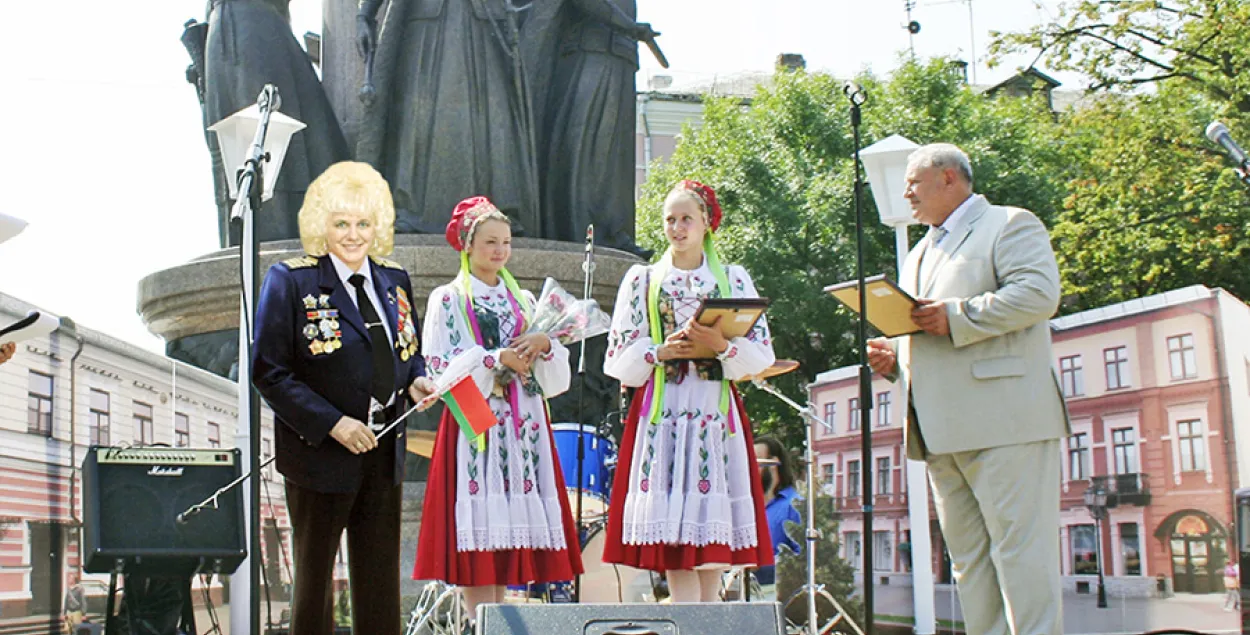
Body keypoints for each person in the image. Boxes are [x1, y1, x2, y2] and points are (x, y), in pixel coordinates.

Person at [867, 143, 1069, 635]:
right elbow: (928, 332)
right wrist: (897, 362)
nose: (906, 192)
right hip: (940, 430)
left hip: (1007, 423)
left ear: (950, 178)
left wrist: (957, 316)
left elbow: (1040, 294)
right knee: (968, 565)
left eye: (914, 181)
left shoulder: (1010, 224)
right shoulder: (918, 253)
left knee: (1022, 558)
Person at [252, 161, 435, 635]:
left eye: (363, 223)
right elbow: (269, 371)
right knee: (314, 584)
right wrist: (334, 423)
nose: (353, 235)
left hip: (383, 447)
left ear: (378, 227)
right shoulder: (291, 281)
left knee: (379, 580)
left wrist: (417, 379)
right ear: (321, 225)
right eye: (341, 224)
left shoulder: (394, 279)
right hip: (320, 451)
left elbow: (407, 350)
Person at [601, 180, 775, 603]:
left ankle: (707, 620)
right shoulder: (643, 280)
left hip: (713, 413)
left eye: (686, 219)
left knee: (711, 531)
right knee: (676, 536)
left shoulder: (732, 278)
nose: (677, 228)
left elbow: (762, 356)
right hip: (666, 413)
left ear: (706, 225)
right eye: (670, 220)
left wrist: (722, 346)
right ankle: (685, 617)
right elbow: (616, 360)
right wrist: (660, 351)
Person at [413, 196, 583, 618]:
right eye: (490, 242)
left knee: (508, 533)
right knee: (481, 534)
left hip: (523, 421)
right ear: (467, 245)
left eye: (505, 242)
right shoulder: (448, 298)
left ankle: (501, 620)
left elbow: (550, 374)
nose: (499, 251)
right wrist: (493, 359)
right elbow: (439, 365)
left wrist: (545, 343)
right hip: (477, 419)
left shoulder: (523, 300)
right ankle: (477, 622)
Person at [754, 436, 801, 597]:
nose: (751, 468)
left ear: (774, 464)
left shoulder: (793, 504)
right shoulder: (747, 505)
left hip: (774, 586)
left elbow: (800, 556)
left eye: (757, 462)